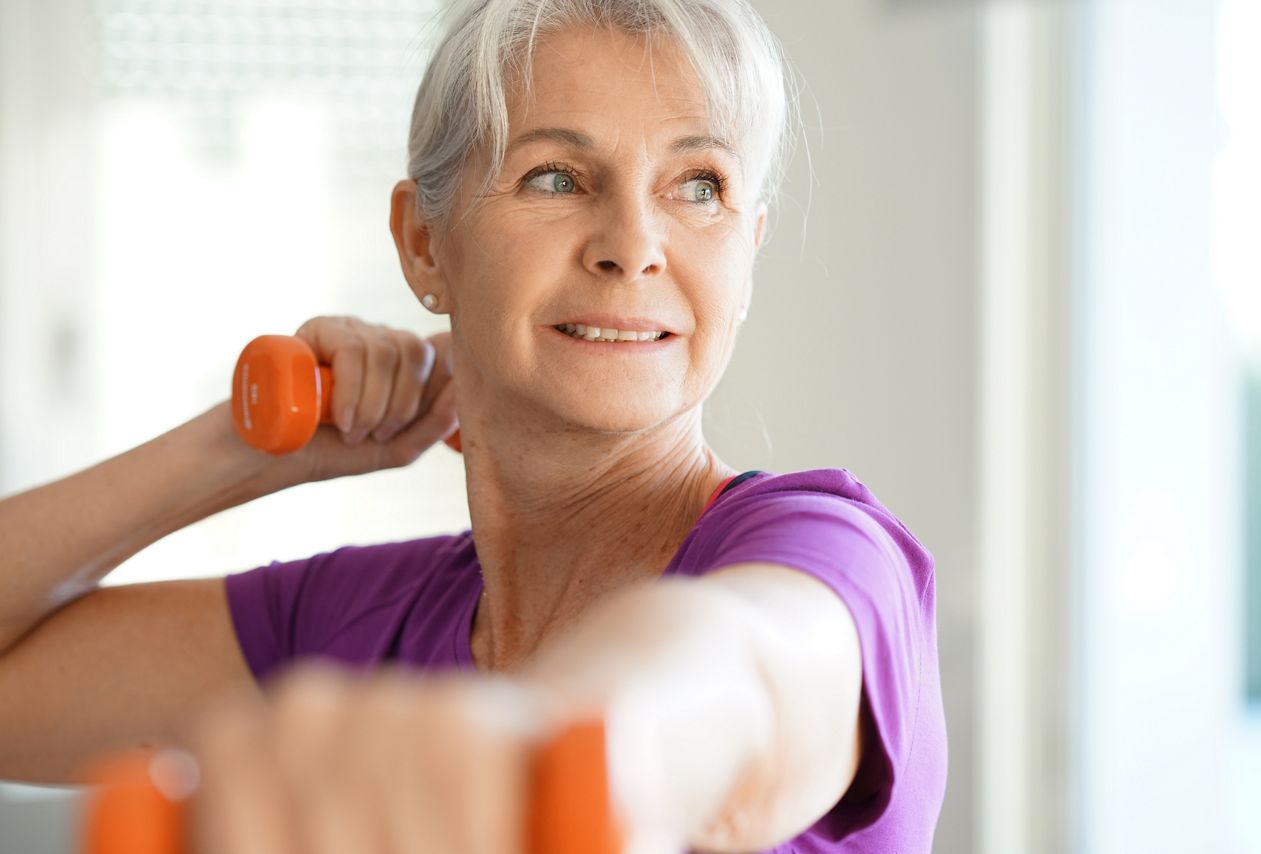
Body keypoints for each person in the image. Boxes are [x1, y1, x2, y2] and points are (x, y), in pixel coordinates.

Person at [0, 0, 946, 851]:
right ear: (424, 244)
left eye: (697, 185)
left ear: (747, 250)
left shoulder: (826, 552)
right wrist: (238, 448)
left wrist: (542, 751)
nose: (633, 246)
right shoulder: (354, 629)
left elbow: (738, 680)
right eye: (555, 177)